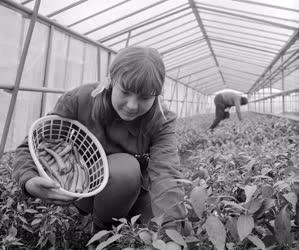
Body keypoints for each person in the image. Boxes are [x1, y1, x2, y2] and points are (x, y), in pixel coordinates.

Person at [12, 46, 186, 247]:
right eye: (126, 91)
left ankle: (118, 221)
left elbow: (166, 173)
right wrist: (29, 181)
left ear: (157, 95)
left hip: (136, 192)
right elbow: (30, 145)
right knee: (125, 169)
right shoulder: (80, 100)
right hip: (88, 189)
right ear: (111, 80)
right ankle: (100, 228)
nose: (132, 105)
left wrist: (173, 232)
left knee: (171, 226)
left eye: (145, 97)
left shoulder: (161, 120)